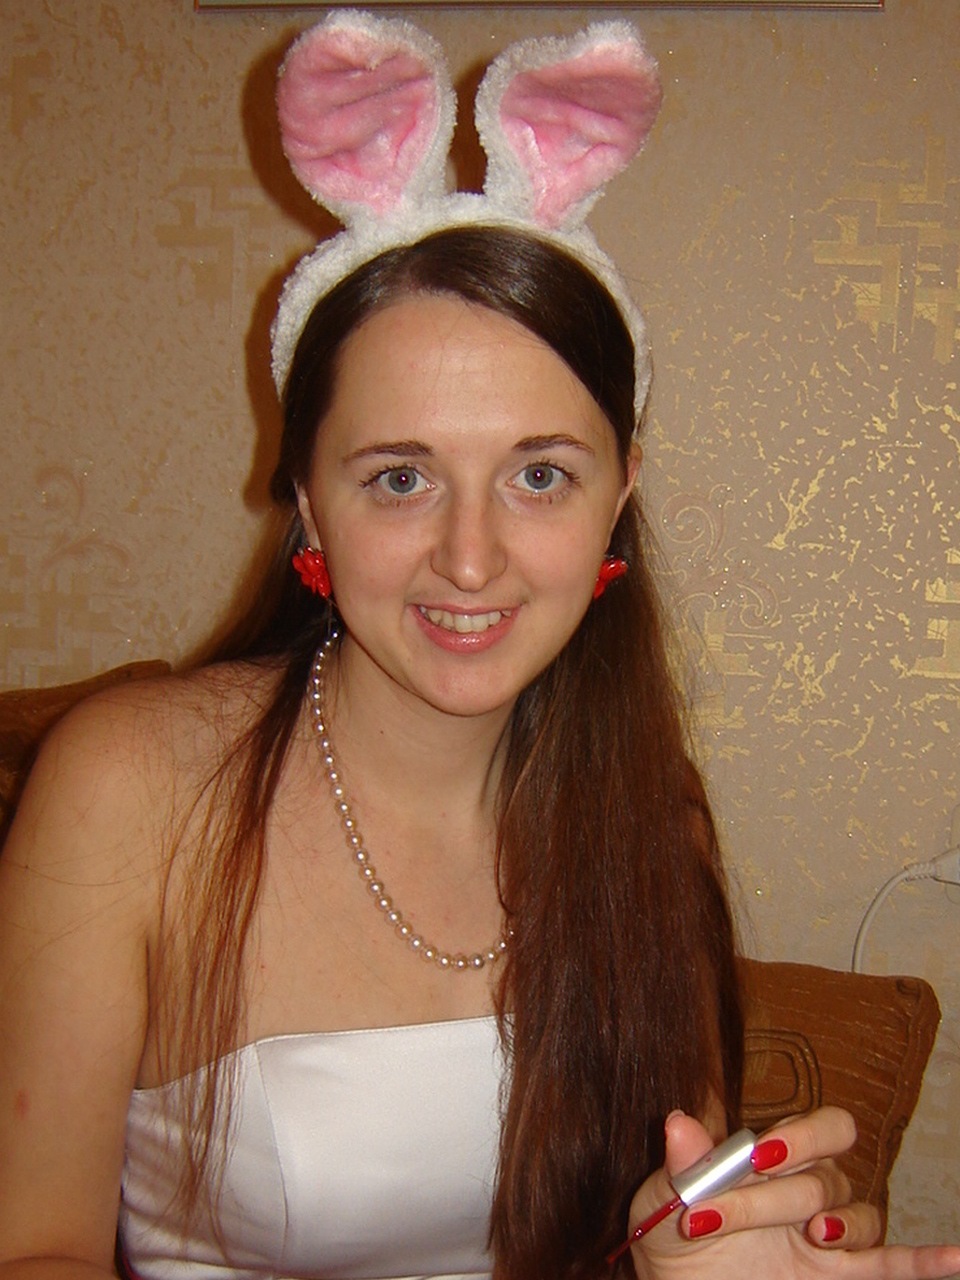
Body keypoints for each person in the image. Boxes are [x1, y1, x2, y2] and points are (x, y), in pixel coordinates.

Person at [0, 14, 958, 1280]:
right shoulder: (129, 787)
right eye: (400, 477)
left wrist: (701, 1253)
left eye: (540, 474)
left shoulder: (649, 813)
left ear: (620, 493)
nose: (469, 558)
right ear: (306, 500)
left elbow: (654, 1213)